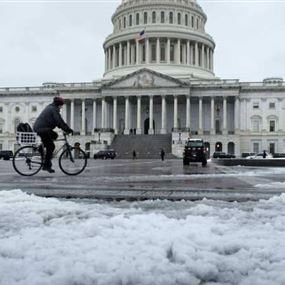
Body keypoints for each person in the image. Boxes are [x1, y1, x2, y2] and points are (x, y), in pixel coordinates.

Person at [33, 96, 73, 173]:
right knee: (51, 146)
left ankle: (41, 150)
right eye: (61, 106)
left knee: (54, 136)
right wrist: (68, 129)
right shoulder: (53, 109)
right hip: (42, 129)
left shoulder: (51, 108)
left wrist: (64, 128)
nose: (61, 108)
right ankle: (46, 165)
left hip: (41, 128)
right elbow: (59, 121)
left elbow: (58, 122)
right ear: (59, 104)